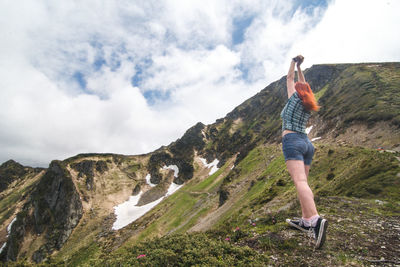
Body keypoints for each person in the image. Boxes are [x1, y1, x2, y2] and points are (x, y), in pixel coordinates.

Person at [281, 55, 328, 249]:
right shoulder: (308, 103)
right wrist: (301, 68)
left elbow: (289, 79)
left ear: (298, 92)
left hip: (292, 141)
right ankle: (306, 220)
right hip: (306, 143)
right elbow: (303, 84)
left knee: (299, 182)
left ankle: (316, 220)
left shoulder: (293, 99)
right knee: (304, 183)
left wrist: (293, 63)